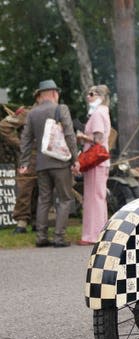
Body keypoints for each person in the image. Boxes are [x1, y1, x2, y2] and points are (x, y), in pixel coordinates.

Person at [18, 79, 78, 247]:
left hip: (41, 164)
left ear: (41, 95)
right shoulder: (61, 109)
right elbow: (69, 135)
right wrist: (75, 159)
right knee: (65, 199)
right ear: (54, 93)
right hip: (60, 163)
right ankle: (59, 238)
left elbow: (26, 140)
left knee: (44, 200)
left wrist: (24, 162)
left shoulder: (32, 113)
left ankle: (41, 237)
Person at [75, 85, 111, 245]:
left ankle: (93, 235)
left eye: (91, 94)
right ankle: (101, 232)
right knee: (98, 197)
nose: (88, 97)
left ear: (100, 96)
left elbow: (98, 138)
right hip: (101, 161)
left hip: (95, 160)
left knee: (93, 198)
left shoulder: (97, 113)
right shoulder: (103, 112)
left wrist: (82, 136)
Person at [0, 104, 36, 233]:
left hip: (45, 157)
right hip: (29, 157)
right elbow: (4, 126)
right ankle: (22, 223)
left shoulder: (52, 112)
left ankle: (38, 222)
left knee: (43, 190)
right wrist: (20, 145)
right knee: (24, 190)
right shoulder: (26, 112)